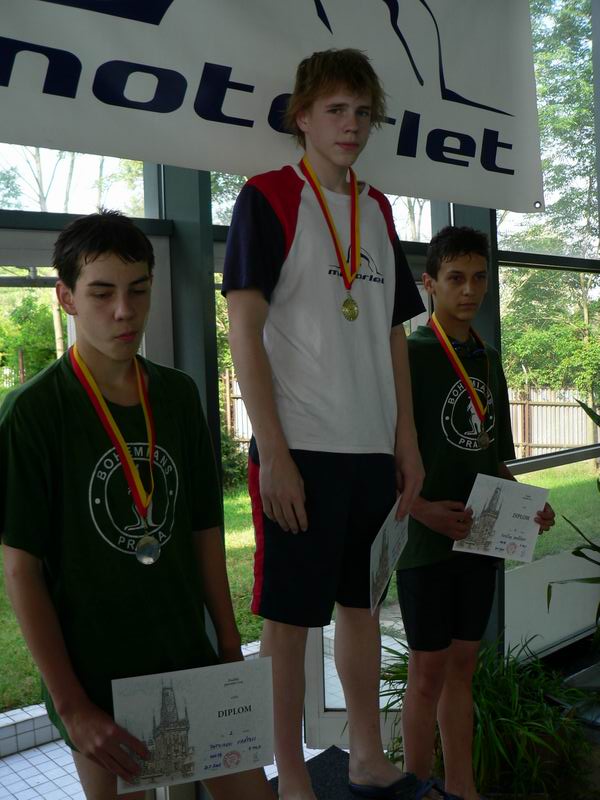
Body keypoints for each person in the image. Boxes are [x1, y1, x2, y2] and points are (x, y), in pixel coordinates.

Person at [0, 211, 275, 800]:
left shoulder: (176, 395)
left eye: (138, 290)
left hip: (186, 654)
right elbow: (21, 569)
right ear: (67, 298)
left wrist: (229, 648)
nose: (124, 311)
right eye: (102, 293)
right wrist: (72, 707)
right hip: (95, 676)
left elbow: (204, 530)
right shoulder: (33, 413)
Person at [223, 48, 433, 800]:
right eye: (336, 110)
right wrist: (273, 453)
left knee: (363, 606)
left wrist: (406, 440)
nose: (351, 125)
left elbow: (392, 334)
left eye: (362, 112)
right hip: (302, 449)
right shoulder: (269, 197)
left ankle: (366, 754)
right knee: (288, 621)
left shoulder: (377, 209)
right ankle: (290, 773)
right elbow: (243, 329)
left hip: (372, 449)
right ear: (303, 117)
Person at [395, 225, 556, 800]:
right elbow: (386, 459)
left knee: (463, 664)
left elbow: (493, 458)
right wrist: (422, 511)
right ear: (429, 284)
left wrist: (529, 503)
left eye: (479, 278)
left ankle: (462, 789)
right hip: (424, 543)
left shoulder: (487, 360)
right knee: (427, 672)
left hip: (481, 537)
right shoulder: (409, 355)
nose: (469, 290)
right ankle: (417, 788)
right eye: (456, 278)